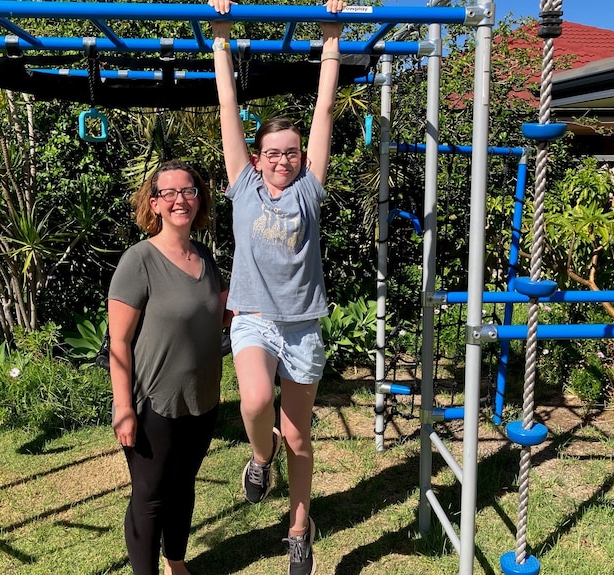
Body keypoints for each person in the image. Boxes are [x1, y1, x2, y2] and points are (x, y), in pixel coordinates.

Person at [209, 2, 346, 574]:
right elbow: (227, 108)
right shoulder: (243, 186)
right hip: (254, 317)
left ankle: (298, 527)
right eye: (274, 153)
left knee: (301, 439)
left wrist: (332, 37)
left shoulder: (310, 191)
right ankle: (257, 458)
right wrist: (220, 36)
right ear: (258, 158)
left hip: (303, 323)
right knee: (257, 403)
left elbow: (324, 108)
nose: (283, 160)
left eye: (291, 152)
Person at [108, 159, 229, 575]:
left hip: (203, 400)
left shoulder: (204, 258)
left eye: (189, 191)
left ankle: (176, 563)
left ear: (199, 200)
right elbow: (119, 342)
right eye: (170, 193)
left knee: (183, 488)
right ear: (154, 203)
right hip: (153, 404)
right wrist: (123, 407)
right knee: (151, 495)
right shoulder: (138, 261)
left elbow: (217, 314)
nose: (181, 200)